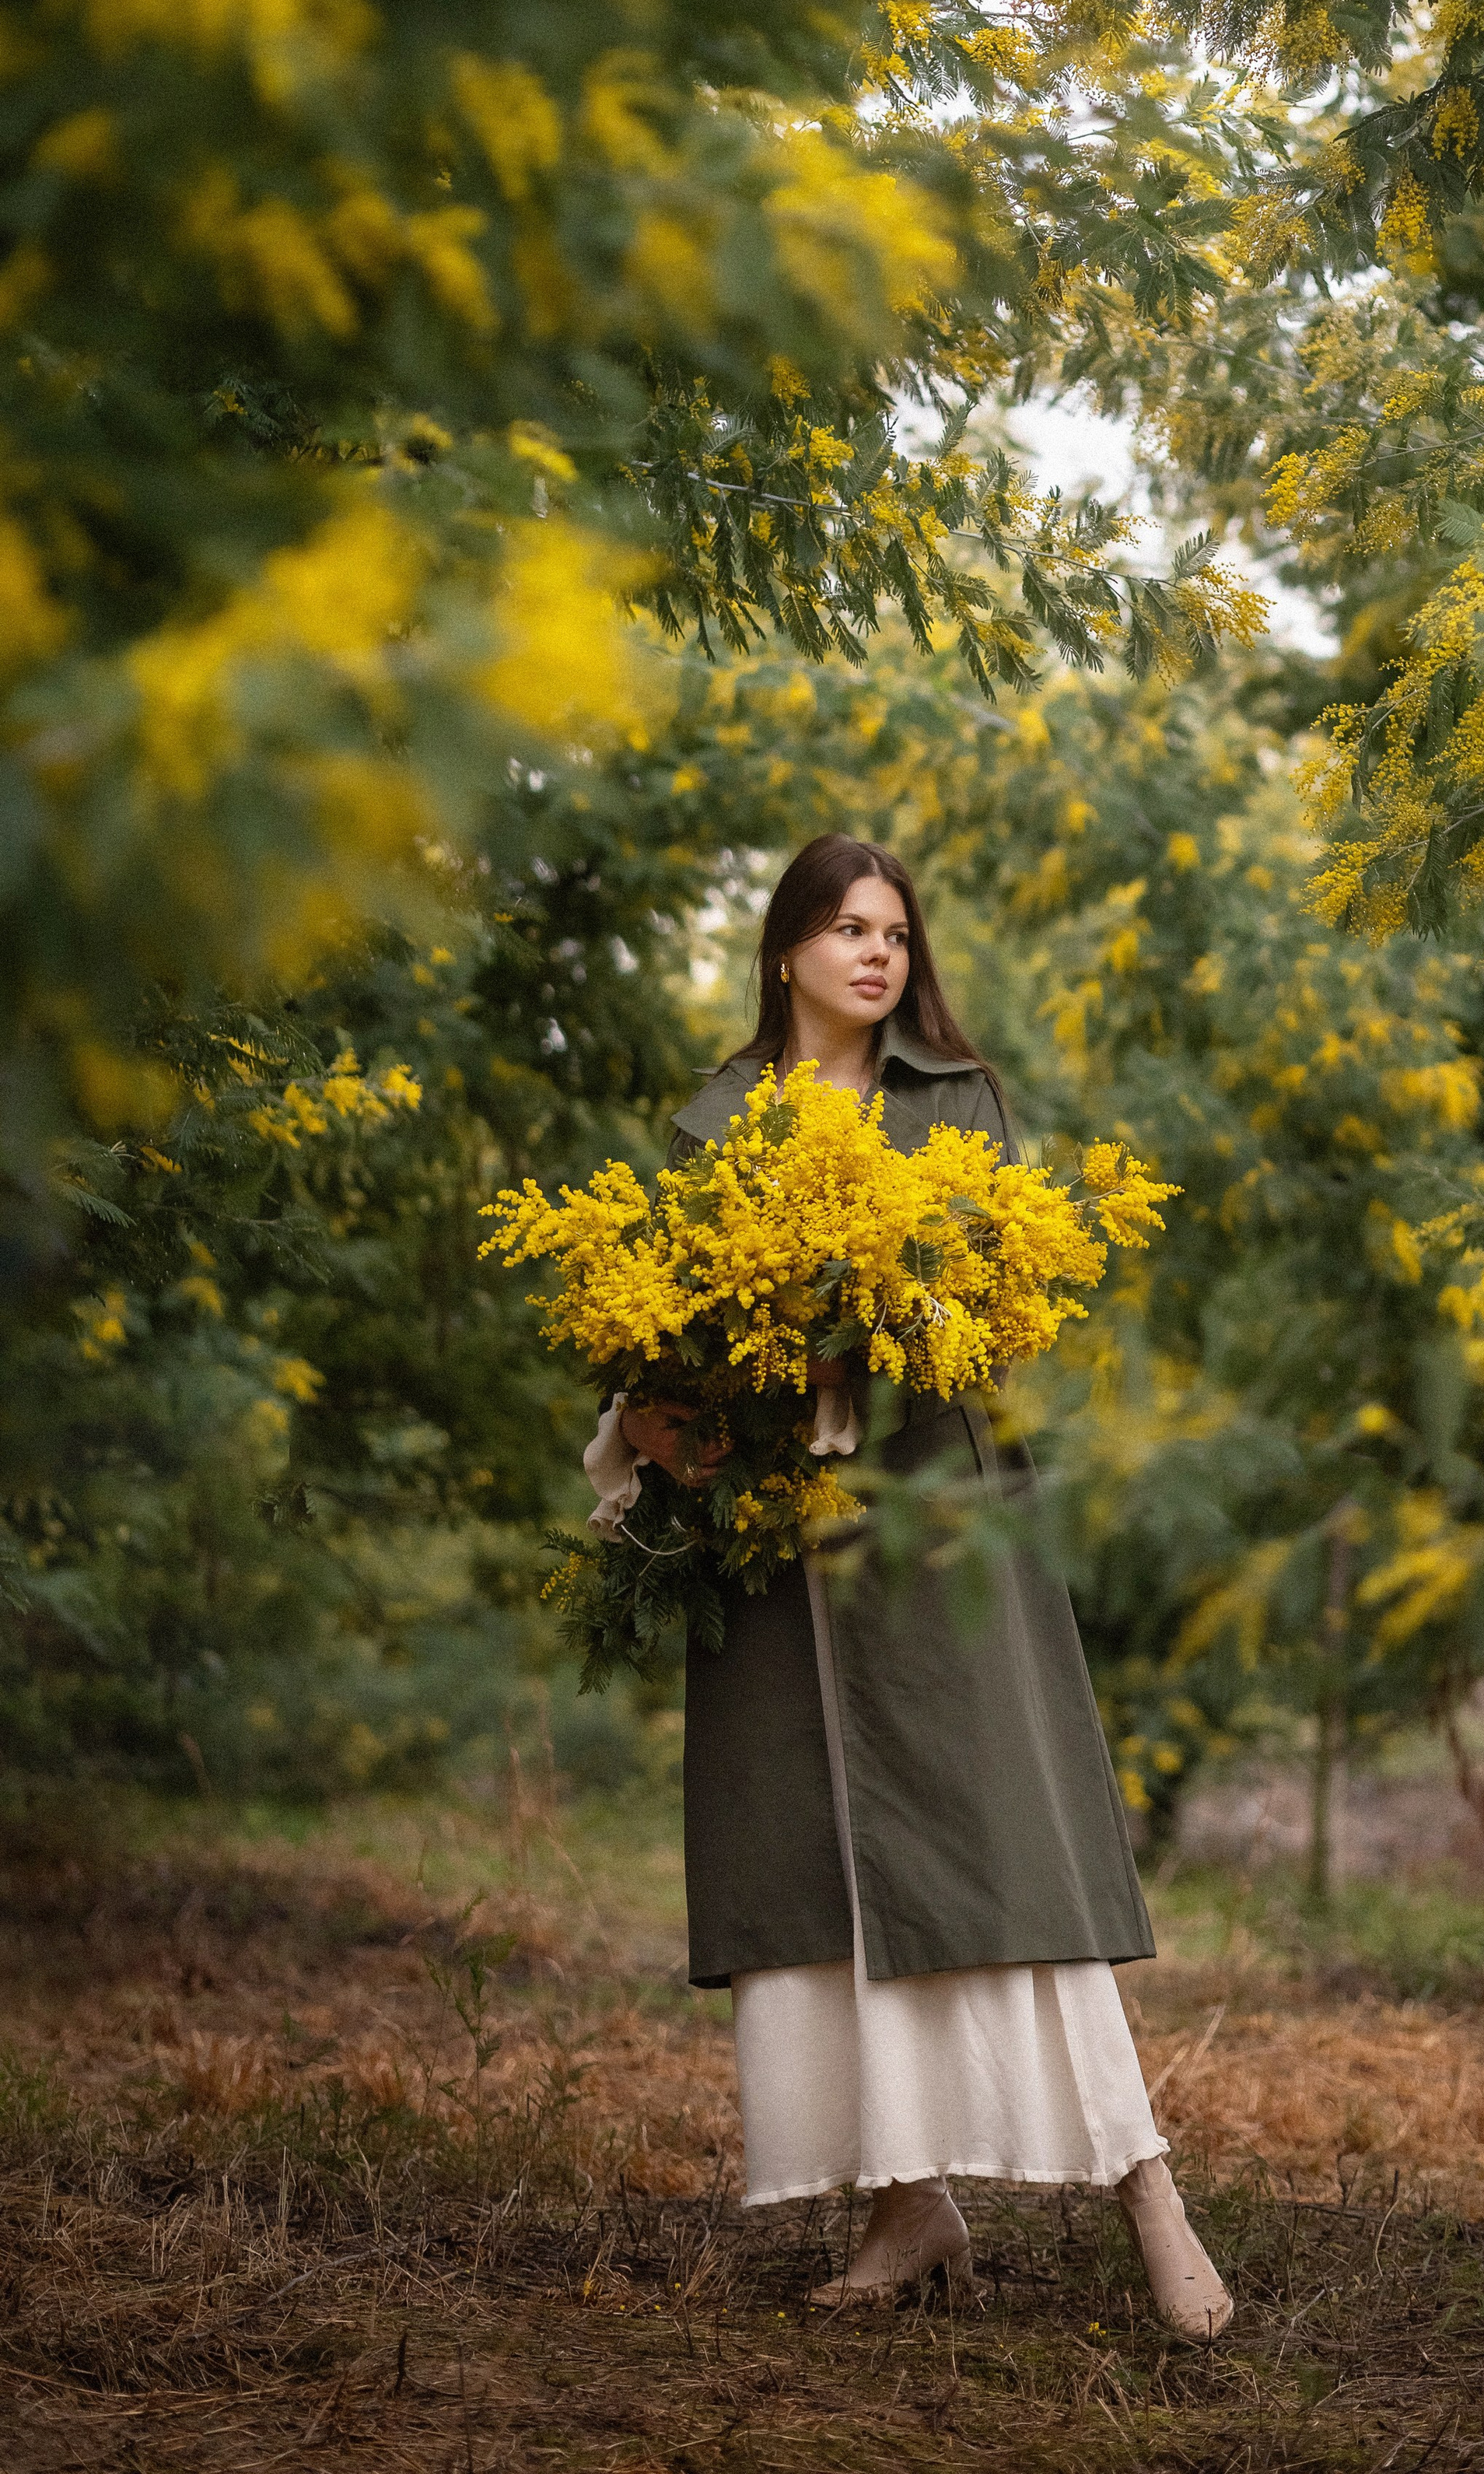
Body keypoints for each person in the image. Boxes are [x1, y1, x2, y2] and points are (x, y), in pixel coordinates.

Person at [586, 833, 1233, 2342]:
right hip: (775, 1554)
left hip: (934, 1527)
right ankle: (904, 2207)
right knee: (810, 1870)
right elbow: (664, 1340)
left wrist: (878, 1306)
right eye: (840, 927)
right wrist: (672, 1409)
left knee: (1009, 1852)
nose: (872, 954)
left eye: (890, 930)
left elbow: (992, 1322)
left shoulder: (957, 1104)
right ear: (784, 949)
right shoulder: (718, 1126)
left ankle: (1146, 2187)